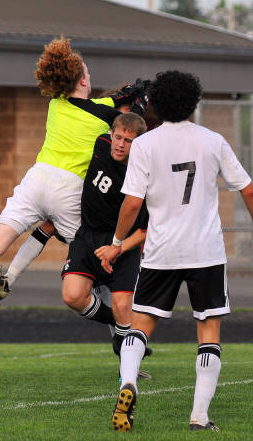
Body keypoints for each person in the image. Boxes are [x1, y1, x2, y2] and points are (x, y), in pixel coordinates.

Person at [97, 70, 253, 433]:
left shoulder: (144, 145)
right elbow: (249, 191)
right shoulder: (212, 140)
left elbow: (132, 204)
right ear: (193, 103)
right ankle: (199, 417)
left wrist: (116, 243)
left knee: (140, 324)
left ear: (157, 105)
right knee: (208, 331)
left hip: (161, 250)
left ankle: (128, 383)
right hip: (205, 251)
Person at [0, 36, 147, 315]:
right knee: (95, 262)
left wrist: (129, 93)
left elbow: (106, 101)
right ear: (82, 81)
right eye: (87, 73)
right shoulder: (103, 115)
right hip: (70, 190)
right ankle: (120, 329)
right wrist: (141, 98)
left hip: (37, 179)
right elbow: (126, 118)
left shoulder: (56, 104)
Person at [0, 83, 151, 301]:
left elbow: (131, 128)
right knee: (62, 239)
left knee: (109, 286)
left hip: (114, 227)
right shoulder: (103, 138)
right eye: (120, 122)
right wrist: (139, 103)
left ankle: (114, 313)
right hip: (90, 216)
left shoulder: (135, 158)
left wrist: (137, 101)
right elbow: (124, 124)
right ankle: (9, 279)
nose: (123, 133)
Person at [60, 112, 152, 365]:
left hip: (122, 246)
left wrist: (117, 248)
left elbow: (144, 231)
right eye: (118, 137)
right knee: (72, 296)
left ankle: (127, 369)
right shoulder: (101, 143)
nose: (120, 144)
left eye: (128, 141)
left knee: (123, 307)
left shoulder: (142, 177)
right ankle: (125, 330)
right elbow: (108, 111)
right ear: (111, 134)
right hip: (88, 236)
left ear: (138, 145)